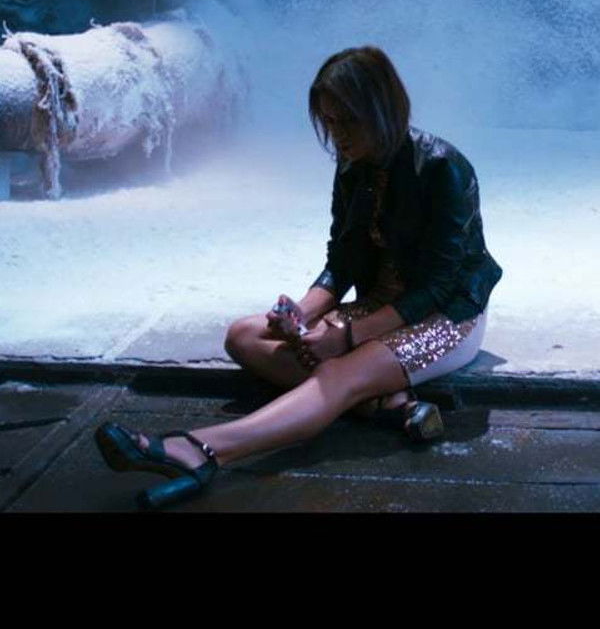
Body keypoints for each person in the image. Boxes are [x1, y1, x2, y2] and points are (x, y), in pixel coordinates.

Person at [95, 45, 503, 510]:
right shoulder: (352, 167)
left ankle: (200, 450)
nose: (337, 135)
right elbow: (341, 263)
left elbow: (437, 286)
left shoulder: (443, 167)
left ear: (382, 110)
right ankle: (386, 403)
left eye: (348, 121)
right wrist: (302, 313)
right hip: (378, 307)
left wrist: (346, 337)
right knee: (244, 335)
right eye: (329, 121)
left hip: (447, 317)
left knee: (337, 372)